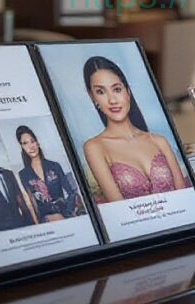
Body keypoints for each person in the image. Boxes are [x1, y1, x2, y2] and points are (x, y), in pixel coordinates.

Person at [81, 56, 188, 201]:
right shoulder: (94, 147)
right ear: (92, 96)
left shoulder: (159, 141)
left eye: (117, 89)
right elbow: (118, 204)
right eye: (101, 92)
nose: (112, 100)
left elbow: (184, 196)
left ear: (128, 91)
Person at [16, 125, 80, 222]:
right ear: (22, 147)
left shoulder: (54, 166)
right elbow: (32, 205)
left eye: (32, 141)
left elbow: (71, 193)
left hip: (65, 216)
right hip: (46, 222)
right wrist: (45, 219)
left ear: (37, 143)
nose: (31, 146)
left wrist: (66, 214)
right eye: (25, 143)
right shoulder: (23, 174)